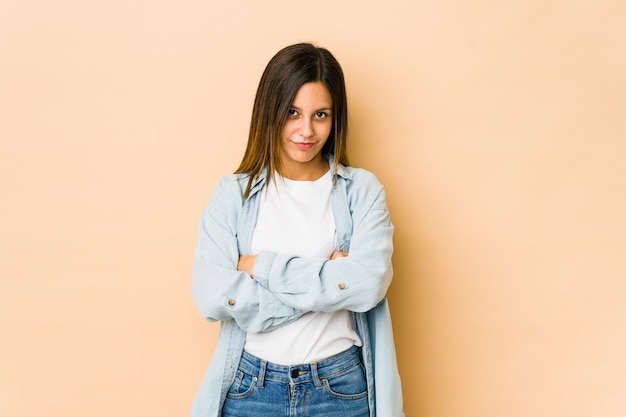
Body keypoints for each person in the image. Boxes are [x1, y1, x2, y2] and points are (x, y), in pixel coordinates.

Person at [190, 42, 404, 417]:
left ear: (336, 118)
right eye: (292, 112)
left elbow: (369, 285)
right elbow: (212, 296)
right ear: (270, 111)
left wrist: (262, 268)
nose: (306, 130)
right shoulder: (232, 195)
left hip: (340, 388)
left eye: (320, 114)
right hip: (250, 388)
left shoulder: (363, 192)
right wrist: (331, 279)